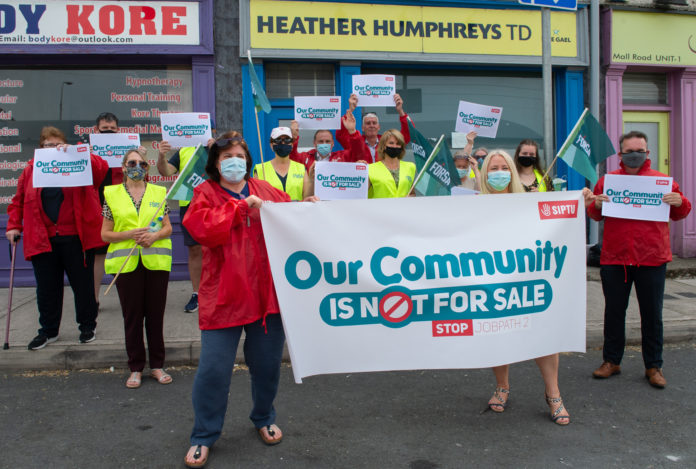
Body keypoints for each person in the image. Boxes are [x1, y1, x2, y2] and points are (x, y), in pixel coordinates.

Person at [181, 133, 291, 468]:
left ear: (248, 159)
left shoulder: (266, 190)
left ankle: (263, 416)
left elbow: (293, 218)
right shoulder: (205, 193)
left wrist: (309, 208)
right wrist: (239, 207)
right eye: (226, 155)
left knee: (267, 366)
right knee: (214, 370)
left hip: (265, 299)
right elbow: (201, 230)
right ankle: (203, 434)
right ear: (215, 162)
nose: (234, 161)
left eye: (240, 155)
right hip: (224, 297)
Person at [588, 130, 691, 389]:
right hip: (615, 258)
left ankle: (653, 366)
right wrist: (596, 204)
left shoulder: (663, 181)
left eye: (640, 151)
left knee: (652, 315)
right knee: (613, 312)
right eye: (629, 151)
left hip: (651, 258)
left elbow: (680, 212)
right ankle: (611, 361)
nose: (635, 155)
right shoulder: (607, 181)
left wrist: (679, 201)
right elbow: (595, 215)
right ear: (620, 153)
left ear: (648, 153)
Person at [479, 149, 570, 425]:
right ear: (484, 174)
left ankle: (553, 393)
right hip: (492, 279)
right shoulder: (472, 205)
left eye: (504, 168)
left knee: (543, 332)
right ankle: (502, 386)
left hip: (528, 279)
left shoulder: (530, 202)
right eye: (493, 168)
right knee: (497, 334)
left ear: (512, 171)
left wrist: (579, 202)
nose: (499, 173)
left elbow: (558, 217)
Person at [6, 127, 107, 349]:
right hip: (43, 238)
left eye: (57, 144)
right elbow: (18, 201)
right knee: (47, 288)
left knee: (83, 286)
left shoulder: (77, 164)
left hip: (76, 238)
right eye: (48, 146)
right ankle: (48, 330)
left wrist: (77, 153)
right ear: (41, 148)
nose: (53, 149)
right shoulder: (31, 170)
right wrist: (14, 226)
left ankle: (87, 326)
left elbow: (101, 170)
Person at [101, 149, 173, 389]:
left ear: (147, 168)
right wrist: (129, 235)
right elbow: (105, 234)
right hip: (126, 264)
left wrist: (154, 237)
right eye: (132, 163)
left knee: (155, 315)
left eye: (142, 163)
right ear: (123, 167)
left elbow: (167, 228)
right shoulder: (111, 194)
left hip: (156, 262)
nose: (137, 166)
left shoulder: (159, 192)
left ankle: (157, 365)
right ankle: (135, 367)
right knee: (132, 317)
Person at [91, 112, 148, 305]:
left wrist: (139, 159)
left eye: (112, 130)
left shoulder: (129, 158)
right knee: (98, 254)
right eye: (104, 130)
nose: (108, 133)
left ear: (118, 131)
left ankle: (128, 293)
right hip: (97, 205)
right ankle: (94, 299)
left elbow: (141, 182)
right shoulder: (88, 154)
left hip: (124, 208)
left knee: (127, 249)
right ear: (96, 131)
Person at [156, 136, 215, 314]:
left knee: (215, 249)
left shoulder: (220, 149)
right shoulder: (184, 150)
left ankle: (216, 291)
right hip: (189, 205)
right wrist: (161, 155)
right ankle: (197, 293)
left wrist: (216, 150)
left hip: (215, 205)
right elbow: (166, 172)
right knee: (195, 250)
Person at [336, 93, 412, 163]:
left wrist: (400, 111)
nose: (371, 125)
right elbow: (340, 135)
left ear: (378, 127)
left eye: (374, 123)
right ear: (362, 128)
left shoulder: (387, 141)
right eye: (368, 123)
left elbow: (407, 135)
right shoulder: (355, 142)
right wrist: (350, 110)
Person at [253, 127, 312, 201]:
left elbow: (307, 197)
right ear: (271, 145)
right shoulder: (260, 169)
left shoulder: (301, 168)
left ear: (292, 144)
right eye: (278, 140)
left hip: (296, 212)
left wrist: (312, 180)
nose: (283, 143)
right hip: (270, 212)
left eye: (287, 140)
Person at [289, 112, 366, 167]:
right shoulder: (305, 158)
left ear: (333, 143)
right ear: (314, 143)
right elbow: (291, 157)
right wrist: (294, 138)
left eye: (327, 141)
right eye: (320, 141)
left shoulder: (343, 157)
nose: (324, 144)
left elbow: (358, 153)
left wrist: (352, 132)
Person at [367, 129, 416, 199]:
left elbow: (412, 193)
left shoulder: (410, 167)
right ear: (384, 146)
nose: (394, 146)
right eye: (391, 143)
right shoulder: (370, 169)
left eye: (398, 144)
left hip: (403, 209)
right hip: (378, 209)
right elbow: (361, 195)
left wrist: (410, 198)